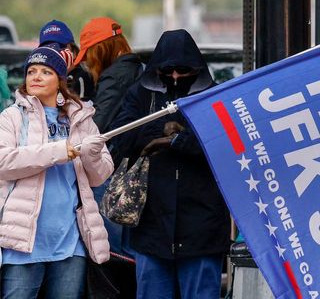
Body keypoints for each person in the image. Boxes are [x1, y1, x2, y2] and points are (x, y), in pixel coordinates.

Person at [111, 29, 231, 299]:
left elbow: (222, 144)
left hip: (202, 226)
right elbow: (121, 136)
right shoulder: (141, 93)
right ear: (157, 69)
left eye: (183, 70)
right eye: (168, 70)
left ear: (197, 69)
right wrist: (163, 130)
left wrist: (176, 140)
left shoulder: (214, 96)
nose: (175, 76)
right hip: (151, 225)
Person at [0, 43, 114, 298]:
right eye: (32, 71)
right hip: (22, 244)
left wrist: (91, 154)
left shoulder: (81, 118)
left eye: (45, 71)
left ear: (60, 80)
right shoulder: (12, 117)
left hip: (70, 244)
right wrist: (58, 151)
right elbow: (3, 163)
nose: (36, 77)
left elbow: (100, 176)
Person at [74, 16, 143, 299]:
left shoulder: (116, 76)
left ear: (101, 48)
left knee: (112, 250)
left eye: (89, 54)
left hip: (112, 173)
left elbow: (96, 128)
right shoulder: (139, 69)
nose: (89, 63)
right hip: (131, 172)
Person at [39, 19, 95, 101]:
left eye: (60, 47)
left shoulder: (81, 79)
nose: (54, 53)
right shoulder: (37, 79)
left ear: (74, 52)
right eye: (48, 48)